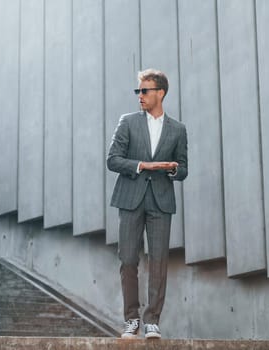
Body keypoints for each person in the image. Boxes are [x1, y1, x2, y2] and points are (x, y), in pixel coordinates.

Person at [107, 68, 188, 339]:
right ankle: (131, 319)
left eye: (145, 91)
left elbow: (184, 168)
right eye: (138, 91)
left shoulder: (178, 129)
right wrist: (144, 165)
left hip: (161, 202)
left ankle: (152, 320)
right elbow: (113, 159)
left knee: (159, 261)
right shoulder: (128, 122)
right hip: (130, 199)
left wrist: (174, 169)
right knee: (128, 259)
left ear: (160, 93)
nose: (139, 96)